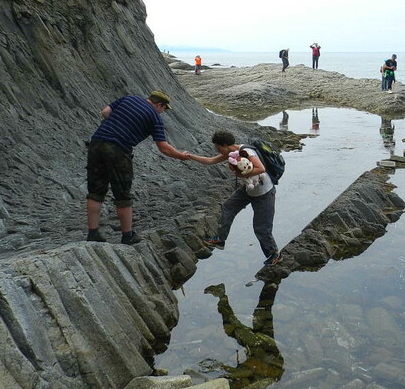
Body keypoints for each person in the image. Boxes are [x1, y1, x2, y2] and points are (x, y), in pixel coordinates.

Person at [84, 90, 189, 244]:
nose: (162, 113)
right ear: (159, 104)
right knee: (123, 194)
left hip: (97, 142)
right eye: (164, 109)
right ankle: (128, 236)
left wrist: (118, 125)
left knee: (95, 190)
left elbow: (105, 112)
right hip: (119, 150)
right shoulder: (154, 117)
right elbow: (163, 147)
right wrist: (181, 156)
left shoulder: (129, 98)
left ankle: (92, 233)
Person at [187, 130, 282, 266]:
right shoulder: (232, 154)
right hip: (249, 190)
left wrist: (242, 173)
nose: (216, 150)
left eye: (217, 147)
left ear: (224, 145)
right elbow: (210, 161)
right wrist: (190, 156)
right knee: (228, 207)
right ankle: (220, 240)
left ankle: (274, 255)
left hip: (264, 192)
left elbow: (260, 168)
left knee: (261, 228)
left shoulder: (246, 152)